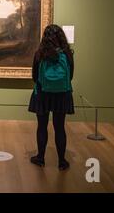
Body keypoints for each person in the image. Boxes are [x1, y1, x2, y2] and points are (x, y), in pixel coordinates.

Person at [28, 24, 74, 170]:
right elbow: (71, 75)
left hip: (43, 94)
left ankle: (40, 157)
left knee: (42, 126)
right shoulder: (67, 54)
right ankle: (62, 161)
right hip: (62, 95)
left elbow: (35, 76)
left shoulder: (39, 54)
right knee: (59, 127)